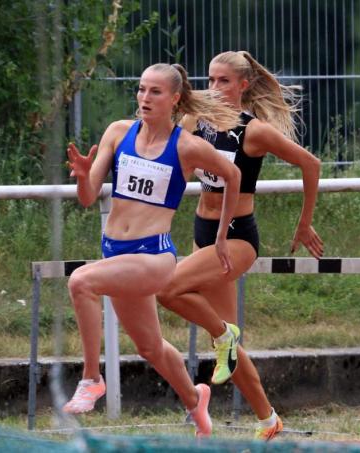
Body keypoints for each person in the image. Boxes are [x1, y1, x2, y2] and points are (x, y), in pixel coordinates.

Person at [62, 63, 242, 438]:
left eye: (154, 92)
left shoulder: (186, 145)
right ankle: (196, 401)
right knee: (150, 348)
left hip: (153, 256)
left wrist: (223, 234)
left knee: (81, 282)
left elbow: (233, 176)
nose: (144, 98)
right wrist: (82, 176)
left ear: (174, 98)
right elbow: (88, 198)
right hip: (117, 253)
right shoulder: (117, 132)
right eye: (141, 90)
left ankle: (91, 378)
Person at [156, 51, 324, 441]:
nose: (214, 87)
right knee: (226, 346)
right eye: (210, 80)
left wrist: (304, 222)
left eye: (224, 81)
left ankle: (223, 338)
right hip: (204, 231)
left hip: (237, 238)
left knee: (168, 289)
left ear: (243, 85)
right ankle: (269, 422)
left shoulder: (254, 131)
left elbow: (311, 165)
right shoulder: (194, 121)